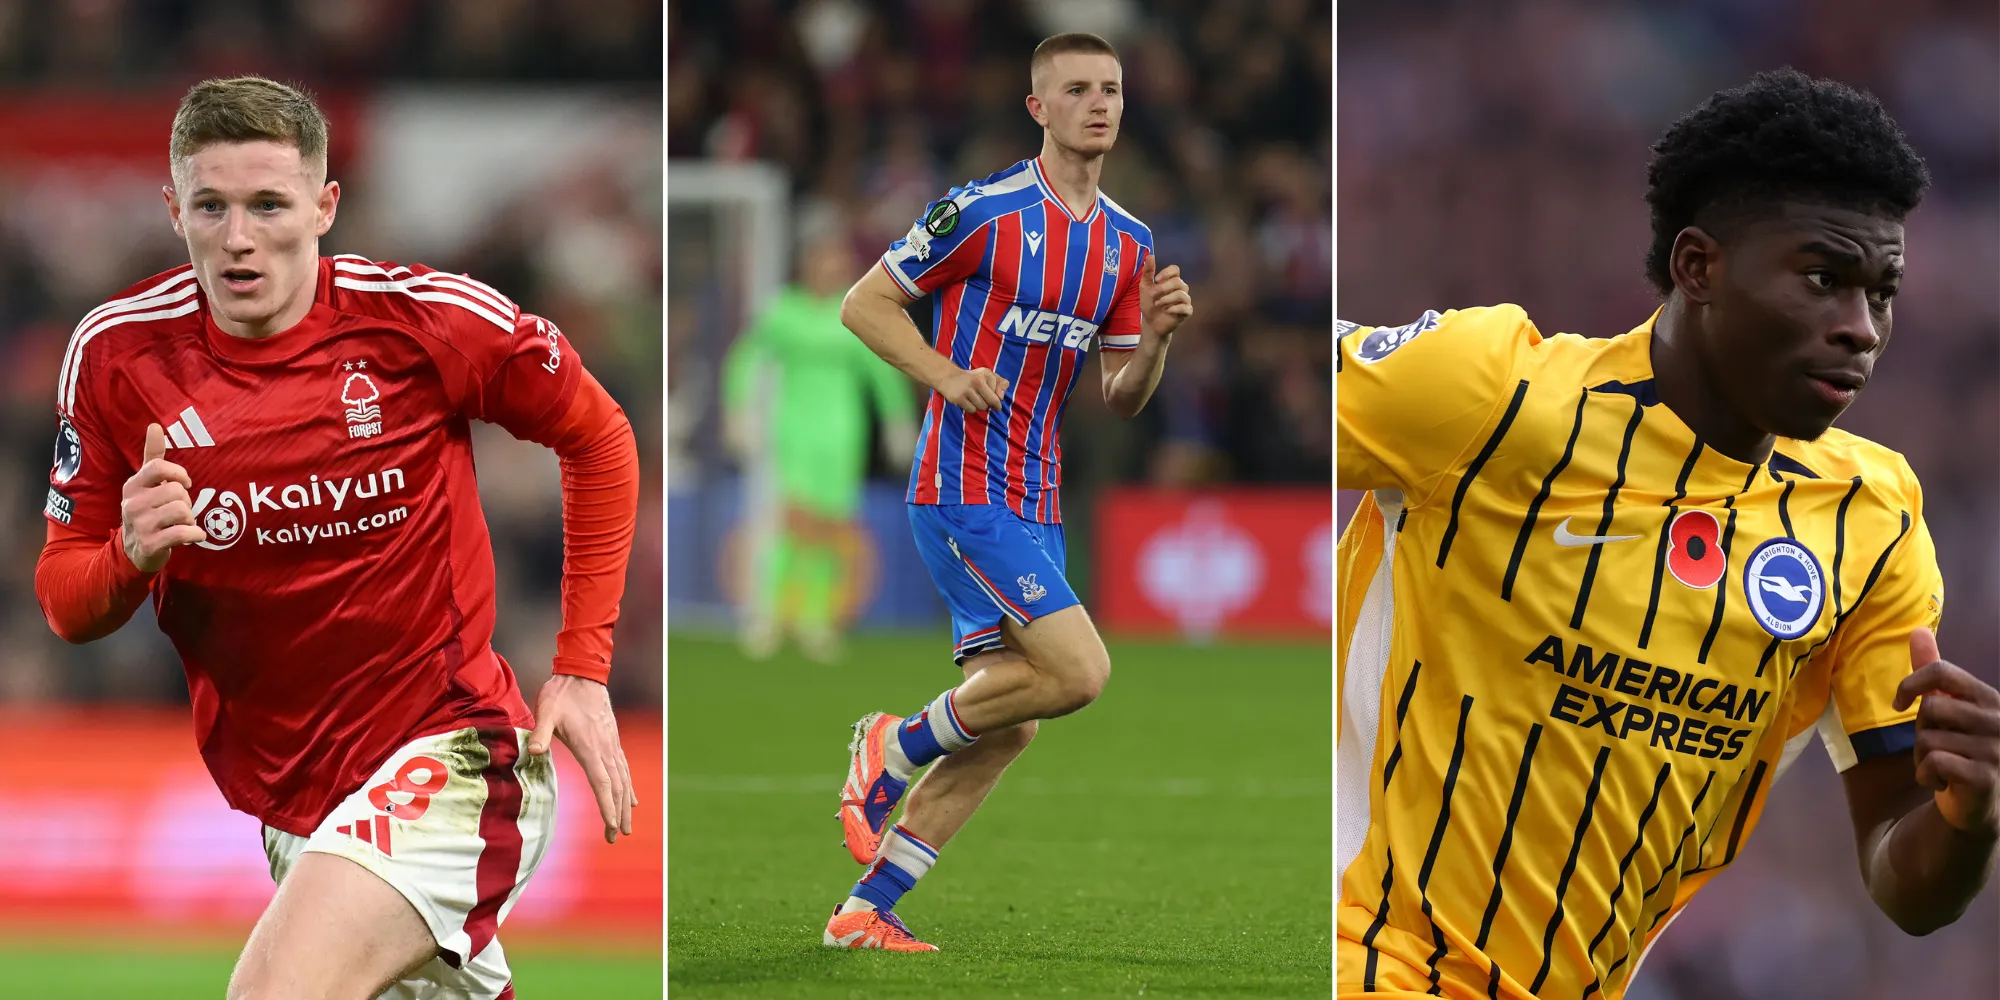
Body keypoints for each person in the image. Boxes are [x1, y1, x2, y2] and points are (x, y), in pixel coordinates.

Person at [1335, 69, 1998, 999]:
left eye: (1880, 294)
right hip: (1364, 960)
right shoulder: (1494, 394)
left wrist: (1970, 819)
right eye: (1822, 279)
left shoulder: (1872, 519)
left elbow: (1905, 882)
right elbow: (1277, 375)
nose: (1860, 330)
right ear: (1698, 267)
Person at [34, 76, 640, 1000]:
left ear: (324, 207)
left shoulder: (423, 321)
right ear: (173, 209)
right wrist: (131, 555)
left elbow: (598, 434)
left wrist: (584, 664)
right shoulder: (118, 356)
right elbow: (64, 598)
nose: (240, 239)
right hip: (297, 801)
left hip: (456, 755)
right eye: (213, 206)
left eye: (270, 205)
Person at [825, 32, 1195, 951]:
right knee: (1079, 673)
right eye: (1076, 89)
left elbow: (1120, 396)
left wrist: (1154, 341)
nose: (1099, 104)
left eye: (1110, 89)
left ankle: (867, 911)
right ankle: (893, 744)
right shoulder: (982, 212)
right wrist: (946, 374)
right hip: (959, 487)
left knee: (1010, 724)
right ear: (1039, 108)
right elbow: (864, 303)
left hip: (1036, 498)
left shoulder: (1129, 244)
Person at [722, 217, 918, 664]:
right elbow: (745, 359)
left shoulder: (854, 309)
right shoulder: (782, 311)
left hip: (843, 432)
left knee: (831, 525)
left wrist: (896, 420)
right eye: (826, 255)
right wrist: (739, 410)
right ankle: (767, 613)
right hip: (793, 429)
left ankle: (816, 617)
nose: (834, 264)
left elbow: (881, 367)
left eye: (839, 256)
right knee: (789, 522)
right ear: (807, 260)